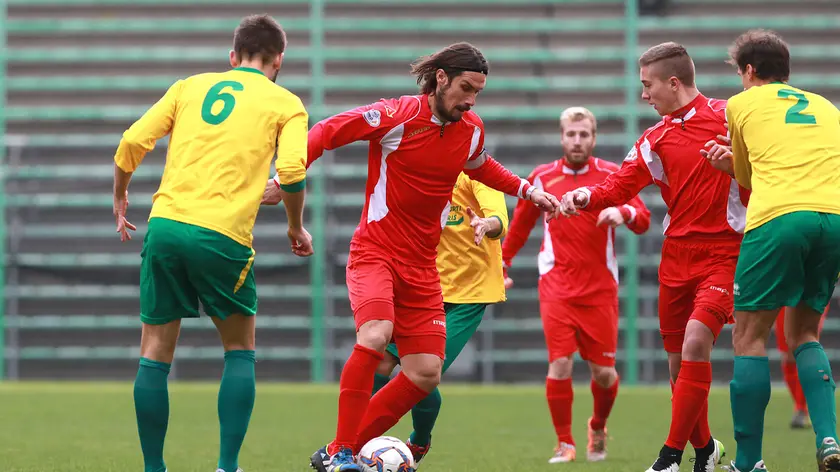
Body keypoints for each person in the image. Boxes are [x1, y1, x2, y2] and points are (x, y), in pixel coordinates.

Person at [262, 42, 560, 472]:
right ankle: (344, 452)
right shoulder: (396, 114)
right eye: (465, 87)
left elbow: (480, 165)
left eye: (478, 91)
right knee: (377, 335)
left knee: (424, 373)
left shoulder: (471, 128)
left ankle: (336, 452)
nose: (471, 99)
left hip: (423, 266)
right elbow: (325, 133)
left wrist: (528, 190)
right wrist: (285, 175)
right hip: (376, 252)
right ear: (440, 78)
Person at [111, 15, 313, 472]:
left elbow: (130, 141)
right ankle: (226, 466)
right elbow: (295, 173)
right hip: (222, 236)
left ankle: (153, 468)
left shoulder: (189, 86)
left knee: (155, 351)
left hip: (164, 226)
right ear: (279, 60)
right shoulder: (287, 104)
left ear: (232, 56)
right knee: (239, 350)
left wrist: (122, 194)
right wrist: (295, 227)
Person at [557, 42, 743, 472]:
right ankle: (706, 452)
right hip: (675, 257)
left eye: (648, 85)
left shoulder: (731, 117)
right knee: (679, 368)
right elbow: (617, 186)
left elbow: (768, 167)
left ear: (673, 83)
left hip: (725, 252)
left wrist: (736, 166)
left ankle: (668, 457)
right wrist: (583, 195)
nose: (644, 95)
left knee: (698, 342)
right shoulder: (653, 138)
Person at [700, 29, 840, 472]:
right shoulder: (825, 105)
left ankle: (748, 460)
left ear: (748, 71)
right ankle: (830, 439)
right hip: (833, 217)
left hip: (779, 218)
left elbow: (748, 175)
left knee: (749, 337)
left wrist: (727, 164)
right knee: (805, 335)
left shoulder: (740, 104)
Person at [501, 107, 651, 464]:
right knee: (561, 365)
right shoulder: (542, 177)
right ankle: (564, 444)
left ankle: (597, 426)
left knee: (604, 374)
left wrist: (623, 213)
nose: (578, 141)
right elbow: (520, 228)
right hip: (556, 286)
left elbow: (643, 219)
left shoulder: (613, 176)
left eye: (584, 134)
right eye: (571, 134)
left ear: (594, 138)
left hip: (600, 289)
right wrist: (502, 263)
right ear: (562, 137)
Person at [372, 171, 508, 465]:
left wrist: (487, 223)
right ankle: (359, 441)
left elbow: (500, 219)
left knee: (420, 374)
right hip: (425, 285)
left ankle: (418, 443)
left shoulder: (477, 174)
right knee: (379, 361)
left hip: (469, 296)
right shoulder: (421, 171)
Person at [776, 305, 829, 429]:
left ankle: (801, 409)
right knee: (789, 353)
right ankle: (803, 409)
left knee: (806, 342)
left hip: (812, 291)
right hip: (784, 295)